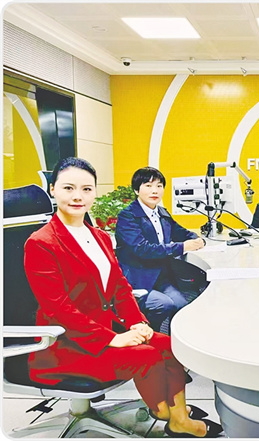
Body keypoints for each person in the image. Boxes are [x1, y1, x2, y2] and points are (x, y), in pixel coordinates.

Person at [24, 157, 222, 438]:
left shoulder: (100, 237)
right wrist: (110, 338)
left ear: (94, 192)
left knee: (170, 346)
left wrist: (137, 322)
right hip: (67, 346)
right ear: (53, 190)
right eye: (68, 188)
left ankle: (179, 419)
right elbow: (58, 308)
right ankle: (165, 412)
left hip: (106, 328)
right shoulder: (41, 243)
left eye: (86, 189)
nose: (78, 196)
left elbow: (119, 287)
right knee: (148, 355)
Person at [115, 167, 206, 333]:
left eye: (159, 186)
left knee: (181, 305)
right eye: (148, 186)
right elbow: (142, 249)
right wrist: (182, 247)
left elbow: (181, 232)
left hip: (160, 277)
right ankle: (148, 335)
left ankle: (170, 342)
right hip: (137, 278)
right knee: (164, 304)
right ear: (136, 190)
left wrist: (197, 240)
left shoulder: (162, 213)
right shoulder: (127, 216)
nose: (155, 190)